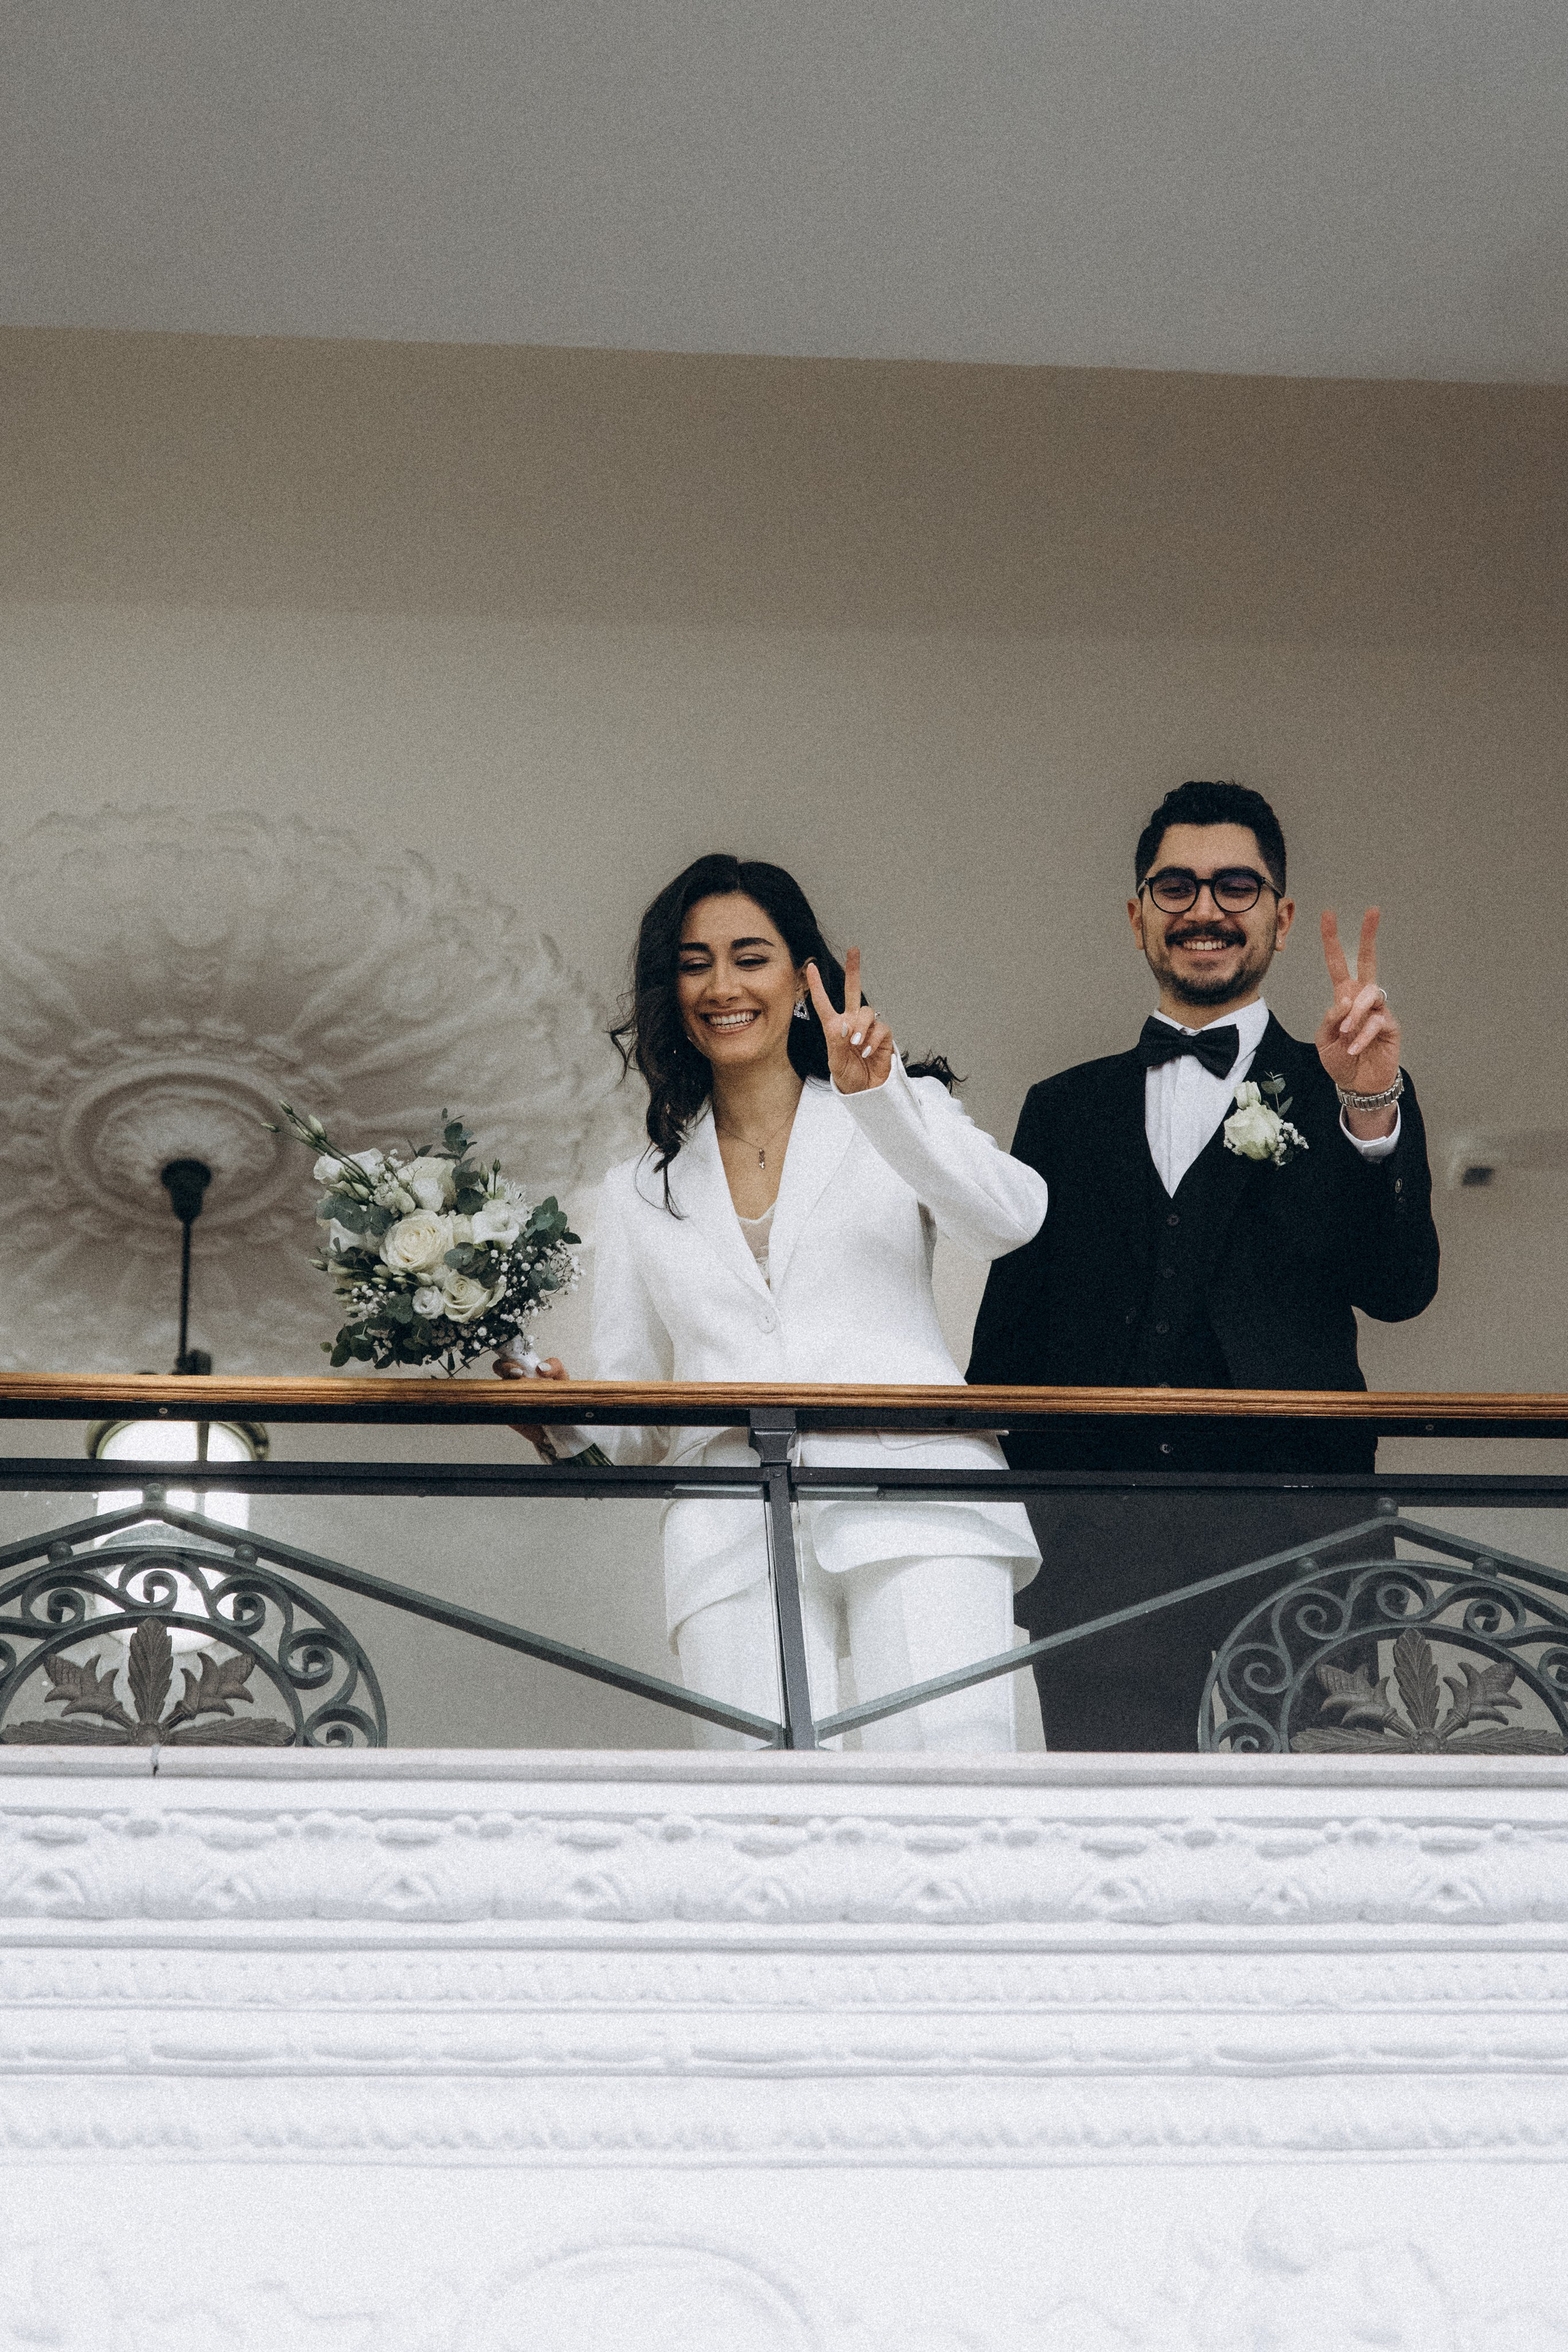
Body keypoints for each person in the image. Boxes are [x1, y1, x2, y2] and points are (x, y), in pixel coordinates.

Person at [500, 853, 1048, 1751]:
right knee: (763, 1824)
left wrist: (884, 1100)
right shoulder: (640, 1189)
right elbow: (641, 1422)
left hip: (918, 1500)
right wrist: (563, 1420)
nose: (722, 985)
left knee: (949, 1790)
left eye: (750, 956)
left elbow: (1012, 1218)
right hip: (730, 1531)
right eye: (693, 962)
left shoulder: (897, 1108)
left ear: (803, 978)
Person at [967, 778, 1441, 1751]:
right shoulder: (1062, 1108)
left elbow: (1401, 1288)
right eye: (1176, 886)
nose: (1206, 910)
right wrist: (1012, 1524)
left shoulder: (1346, 1084)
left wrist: (1368, 1106)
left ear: (1280, 915)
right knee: (1114, 1838)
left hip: (1304, 1541)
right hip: (1098, 1550)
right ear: (1138, 915)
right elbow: (1008, 1342)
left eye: (1237, 886)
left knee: (1314, 1841)